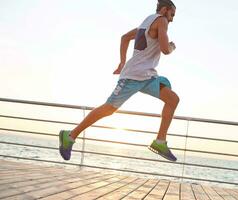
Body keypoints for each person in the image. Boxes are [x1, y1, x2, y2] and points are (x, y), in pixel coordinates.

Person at [59, 0, 179, 162]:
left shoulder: (147, 23)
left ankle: (160, 142)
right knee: (108, 109)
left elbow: (124, 38)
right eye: (172, 14)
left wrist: (122, 62)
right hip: (134, 76)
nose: (171, 19)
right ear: (164, 10)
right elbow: (165, 50)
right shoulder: (161, 20)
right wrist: (172, 46)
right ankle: (70, 136)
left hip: (148, 76)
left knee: (172, 99)